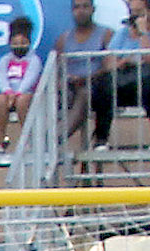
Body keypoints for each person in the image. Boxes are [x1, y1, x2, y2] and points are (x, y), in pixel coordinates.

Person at [92, 0, 150, 148]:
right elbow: (108, 63)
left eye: (139, 12)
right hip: (131, 84)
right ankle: (101, 140)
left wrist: (142, 33)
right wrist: (125, 61)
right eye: (132, 12)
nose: (135, 17)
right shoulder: (122, 33)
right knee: (104, 85)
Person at [54, 0, 116, 148]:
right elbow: (55, 69)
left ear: (93, 9)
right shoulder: (64, 38)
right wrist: (62, 81)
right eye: (77, 7)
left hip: (96, 86)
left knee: (84, 94)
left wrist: (86, 78)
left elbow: (110, 66)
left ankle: (54, 139)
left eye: (85, 6)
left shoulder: (106, 34)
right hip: (69, 87)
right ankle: (40, 140)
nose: (81, 11)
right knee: (51, 96)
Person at [0, 18, 44, 148]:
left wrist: (18, 93)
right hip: (9, 94)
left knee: (22, 101)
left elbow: (30, 78)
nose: (19, 46)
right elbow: (1, 78)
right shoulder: (5, 60)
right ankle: (1, 140)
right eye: (15, 43)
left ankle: (29, 139)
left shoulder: (34, 60)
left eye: (23, 43)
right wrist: (8, 92)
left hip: (27, 93)